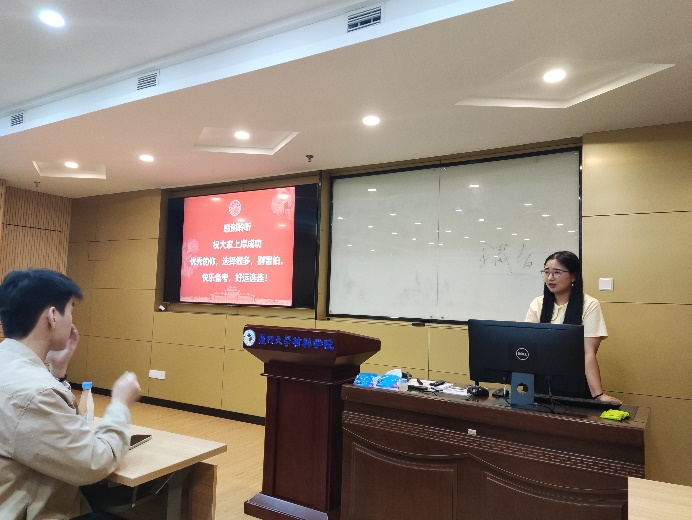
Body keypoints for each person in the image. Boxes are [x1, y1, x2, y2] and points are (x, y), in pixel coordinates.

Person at [0, 269, 142, 519]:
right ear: (53, 316)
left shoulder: (11, 367)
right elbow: (94, 462)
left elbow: (49, 430)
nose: (73, 320)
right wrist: (120, 404)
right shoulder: (35, 392)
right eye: (71, 310)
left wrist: (57, 371)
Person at [525, 251, 622, 405]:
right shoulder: (538, 303)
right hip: (540, 383)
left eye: (557, 272)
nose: (550, 278)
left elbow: (588, 353)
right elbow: (528, 346)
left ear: (573, 276)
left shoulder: (589, 304)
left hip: (574, 385)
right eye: (546, 272)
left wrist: (598, 395)